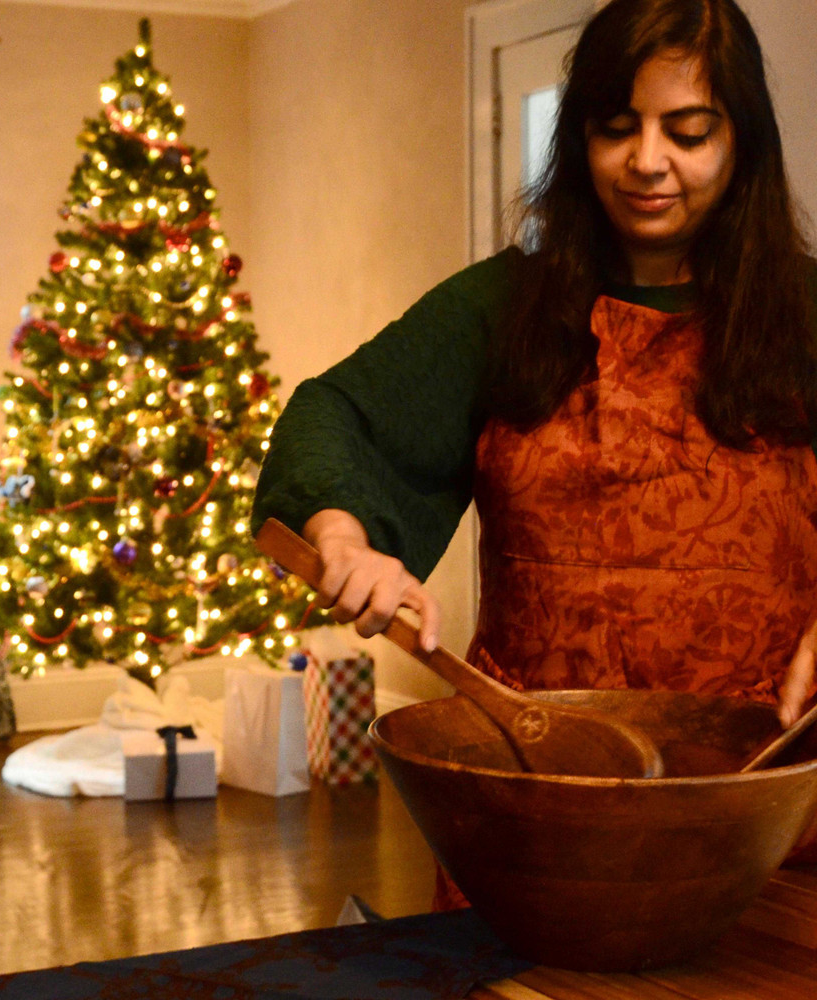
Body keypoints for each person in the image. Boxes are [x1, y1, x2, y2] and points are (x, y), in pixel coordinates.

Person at [251, 0, 817, 886]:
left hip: (766, 823)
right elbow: (336, 415)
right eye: (616, 127)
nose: (648, 161)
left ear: (742, 140)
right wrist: (342, 536)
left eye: (689, 130)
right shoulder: (499, 309)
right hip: (530, 808)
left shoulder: (807, 320)